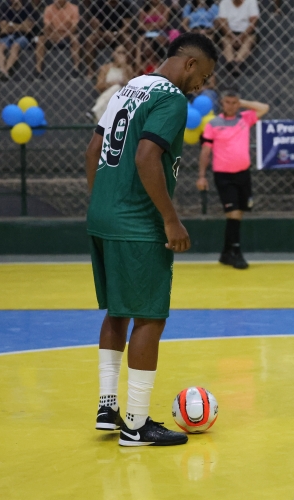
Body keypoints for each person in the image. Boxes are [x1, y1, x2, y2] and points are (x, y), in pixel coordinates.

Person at [84, 32, 217, 447]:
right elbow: (146, 156)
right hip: (137, 224)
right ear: (190, 63)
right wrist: (170, 220)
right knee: (149, 317)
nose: (202, 86)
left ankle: (108, 408)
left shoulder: (130, 87)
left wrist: (103, 202)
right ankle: (137, 425)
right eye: (205, 76)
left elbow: (93, 151)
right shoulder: (173, 99)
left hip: (103, 216)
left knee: (118, 310)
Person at [196, 89, 269, 269]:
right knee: (233, 212)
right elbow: (205, 152)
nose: (231, 106)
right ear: (222, 103)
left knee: (237, 214)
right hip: (223, 175)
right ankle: (235, 253)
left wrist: (242, 102)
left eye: (234, 102)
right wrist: (201, 176)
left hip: (243, 174)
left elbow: (264, 108)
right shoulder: (213, 124)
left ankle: (226, 252)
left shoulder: (244, 119)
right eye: (227, 102)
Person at [82, 0, 136, 78]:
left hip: (119, 35)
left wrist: (116, 33)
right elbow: (94, 26)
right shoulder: (98, 4)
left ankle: (128, 70)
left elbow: (127, 25)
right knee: (89, 41)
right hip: (102, 35)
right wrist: (104, 34)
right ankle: (91, 71)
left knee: (128, 39)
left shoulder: (125, 4)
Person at [35, 0, 81, 78]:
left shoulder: (74, 8)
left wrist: (63, 36)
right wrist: (53, 35)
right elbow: (47, 27)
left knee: (75, 38)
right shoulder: (48, 8)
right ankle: (38, 70)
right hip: (53, 34)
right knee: (40, 39)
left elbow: (74, 27)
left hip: (67, 34)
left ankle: (76, 69)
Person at [0, 0, 35, 80]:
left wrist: (11, 25)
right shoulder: (5, 10)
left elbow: (28, 29)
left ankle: (5, 70)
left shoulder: (28, 9)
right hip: (7, 36)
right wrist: (21, 26)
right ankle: (1, 69)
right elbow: (3, 29)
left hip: (23, 37)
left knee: (15, 46)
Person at [90, 44, 133, 121]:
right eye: (119, 52)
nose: (121, 55)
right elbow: (98, 86)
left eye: (123, 53)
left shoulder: (128, 69)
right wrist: (111, 84)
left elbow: (129, 85)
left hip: (122, 99)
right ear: (113, 54)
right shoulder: (105, 68)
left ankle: (94, 111)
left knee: (118, 87)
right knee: (116, 87)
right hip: (107, 99)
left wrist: (123, 65)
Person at [215, 0, 258, 74]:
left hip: (246, 33)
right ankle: (230, 61)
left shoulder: (251, 1)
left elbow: (253, 22)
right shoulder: (224, 2)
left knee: (250, 40)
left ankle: (237, 61)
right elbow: (222, 23)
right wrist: (232, 36)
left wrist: (241, 37)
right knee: (224, 40)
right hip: (229, 32)